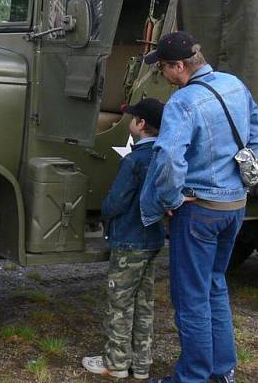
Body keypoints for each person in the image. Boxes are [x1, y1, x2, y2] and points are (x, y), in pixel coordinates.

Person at [139, 31, 258, 383]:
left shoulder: (183, 102)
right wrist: (248, 166)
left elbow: (167, 158)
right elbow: (256, 130)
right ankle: (222, 371)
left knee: (191, 297)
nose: (161, 73)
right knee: (215, 285)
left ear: (179, 66)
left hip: (199, 211)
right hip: (234, 206)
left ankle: (192, 377)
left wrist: (171, 199)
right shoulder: (235, 85)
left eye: (162, 67)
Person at [83, 98, 166, 380]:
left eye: (132, 118)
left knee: (119, 304)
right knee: (144, 304)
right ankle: (141, 365)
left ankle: (116, 364)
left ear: (141, 125)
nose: (129, 122)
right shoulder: (163, 155)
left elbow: (115, 202)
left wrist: (104, 215)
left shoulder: (133, 160)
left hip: (129, 240)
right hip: (153, 238)